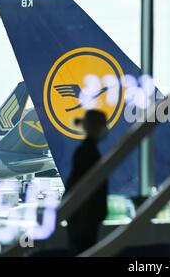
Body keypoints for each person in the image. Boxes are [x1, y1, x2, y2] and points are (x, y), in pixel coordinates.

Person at [65, 109, 109, 256]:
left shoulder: (86, 150)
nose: (105, 129)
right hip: (85, 222)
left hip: (82, 220)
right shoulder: (88, 152)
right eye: (103, 124)